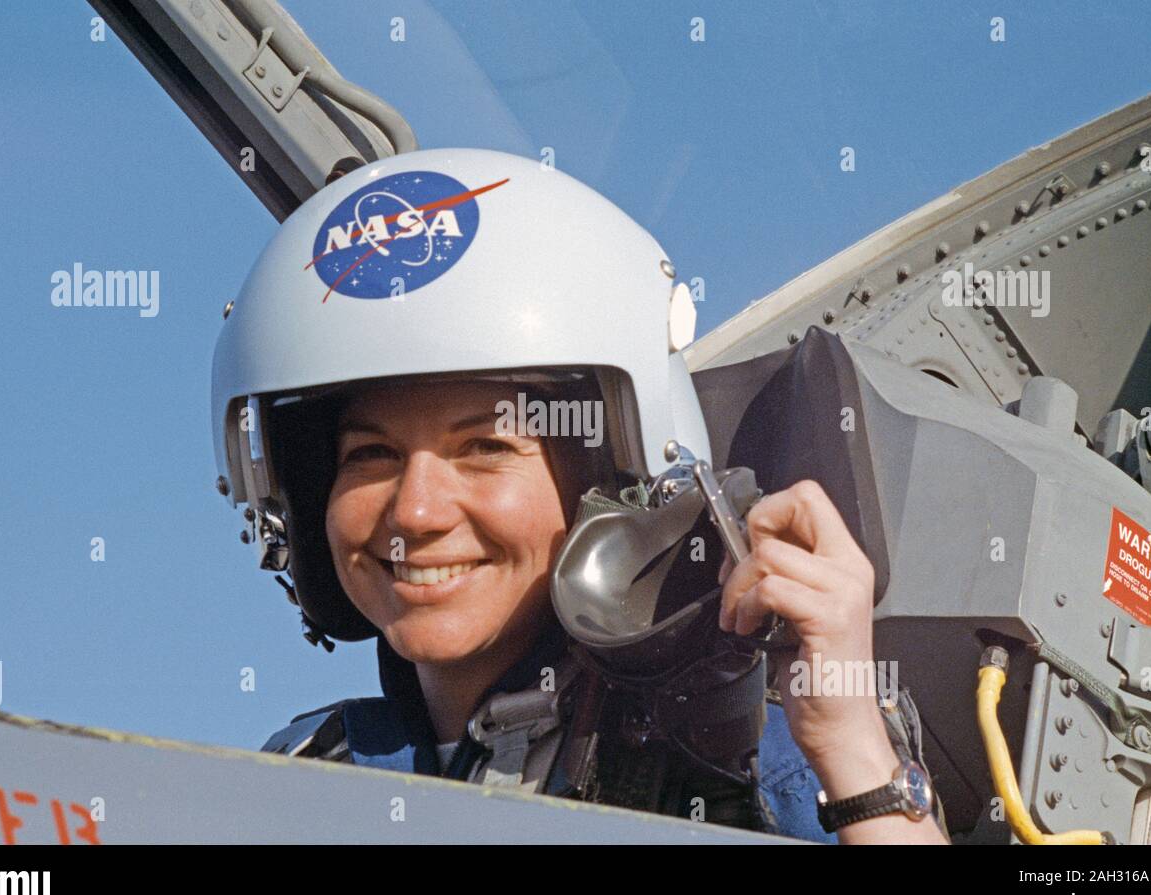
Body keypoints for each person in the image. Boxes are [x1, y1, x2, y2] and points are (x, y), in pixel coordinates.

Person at [211, 148, 949, 844]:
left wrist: (853, 749)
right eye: (371, 454)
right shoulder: (306, 779)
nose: (415, 512)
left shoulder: (746, 766)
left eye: (484, 450)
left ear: (608, 499)